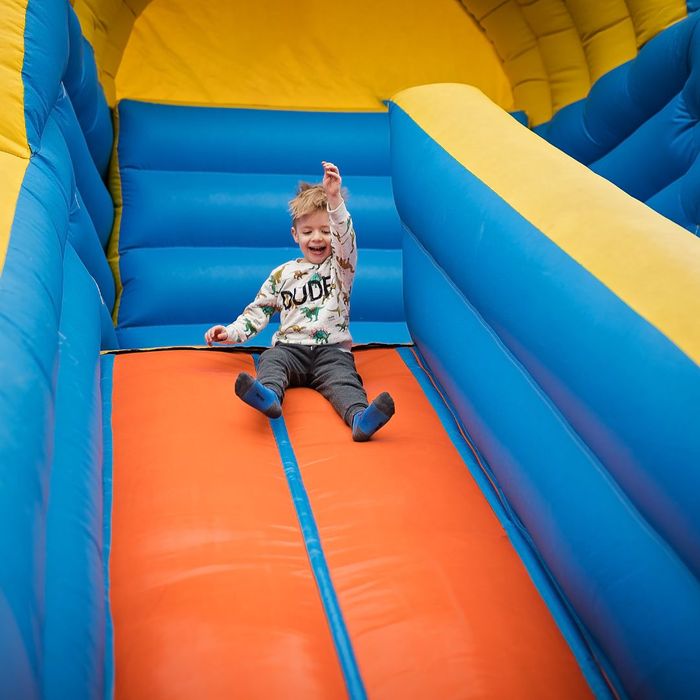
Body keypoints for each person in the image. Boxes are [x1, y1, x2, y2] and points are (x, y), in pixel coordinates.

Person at [204, 161, 395, 441]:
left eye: (325, 230)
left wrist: (334, 199)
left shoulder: (341, 268)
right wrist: (230, 332)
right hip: (290, 349)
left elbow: (346, 237)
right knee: (272, 361)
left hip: (332, 352)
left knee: (345, 381)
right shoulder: (283, 274)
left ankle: (359, 418)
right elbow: (259, 311)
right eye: (308, 232)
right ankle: (267, 395)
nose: (317, 238)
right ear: (295, 235)